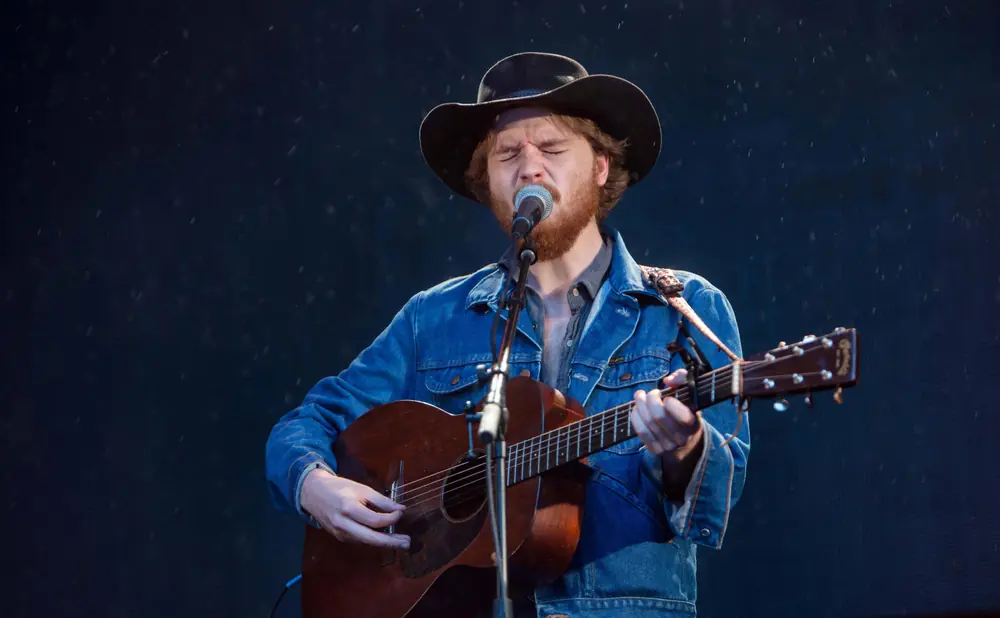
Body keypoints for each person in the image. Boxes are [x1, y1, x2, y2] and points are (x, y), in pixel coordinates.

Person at [265, 52, 750, 618]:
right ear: (487, 180)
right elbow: (307, 422)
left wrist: (685, 451)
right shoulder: (435, 318)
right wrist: (315, 486)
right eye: (507, 154)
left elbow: (716, 501)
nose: (530, 167)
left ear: (599, 165)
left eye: (551, 148)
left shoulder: (683, 309)